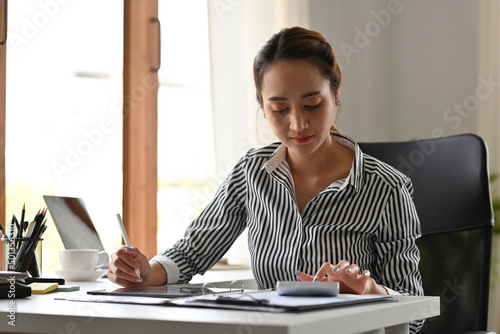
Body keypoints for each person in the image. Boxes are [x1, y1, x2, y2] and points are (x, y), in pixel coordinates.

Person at [108, 26, 424, 332]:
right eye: (279, 109)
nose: (298, 123)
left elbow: (415, 310)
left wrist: (368, 290)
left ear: (336, 93)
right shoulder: (252, 172)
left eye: (312, 104)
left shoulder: (386, 188)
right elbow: (192, 253)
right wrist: (147, 272)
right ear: (262, 105)